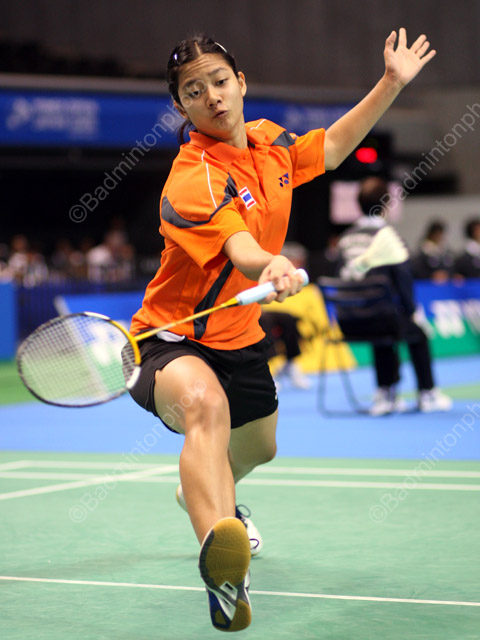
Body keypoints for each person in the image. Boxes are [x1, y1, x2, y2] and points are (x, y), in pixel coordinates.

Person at [128, 31, 436, 631]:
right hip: (169, 339)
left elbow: (333, 148)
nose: (213, 97)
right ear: (180, 106)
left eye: (220, 81)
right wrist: (269, 264)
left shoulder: (270, 142)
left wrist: (391, 83)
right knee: (205, 406)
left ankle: (200, 490)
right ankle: (224, 572)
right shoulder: (193, 177)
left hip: (240, 336)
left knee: (261, 447)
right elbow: (240, 247)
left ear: (240, 82)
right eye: (194, 91)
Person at [337, 177, 452, 416]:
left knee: (379, 319)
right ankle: (427, 393)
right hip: (382, 319)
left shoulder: (344, 239)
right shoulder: (389, 236)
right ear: (386, 204)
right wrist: (412, 313)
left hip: (348, 321)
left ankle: (385, 392)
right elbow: (404, 279)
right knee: (415, 331)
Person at [260, 243, 312, 390]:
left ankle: (290, 363)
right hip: (250, 312)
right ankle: (267, 370)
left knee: (288, 319)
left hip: (264, 309)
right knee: (265, 320)